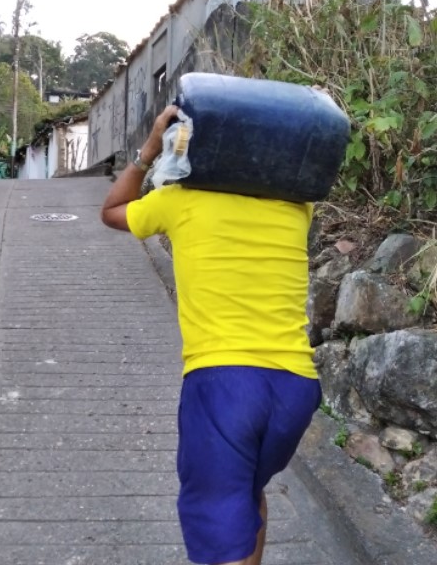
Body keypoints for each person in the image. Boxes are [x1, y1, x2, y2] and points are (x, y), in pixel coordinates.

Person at [101, 104, 322, 565]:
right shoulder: (296, 207)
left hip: (225, 387)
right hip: (296, 387)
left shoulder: (178, 202)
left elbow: (112, 210)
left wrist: (148, 150)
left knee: (220, 534)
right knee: (246, 496)